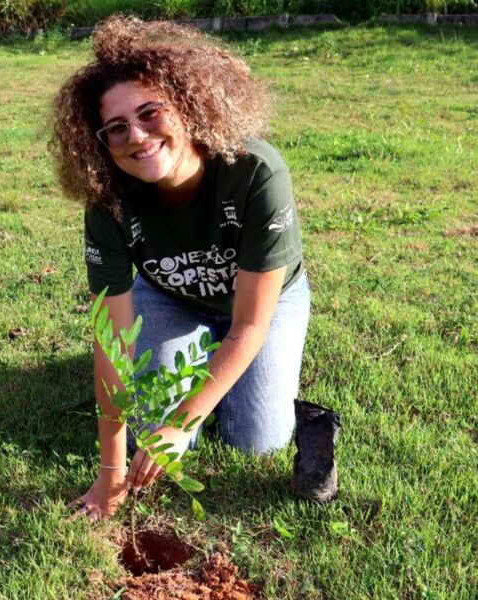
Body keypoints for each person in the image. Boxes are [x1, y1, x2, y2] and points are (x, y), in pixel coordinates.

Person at [49, 16, 309, 522]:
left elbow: (251, 323)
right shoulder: (109, 202)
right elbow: (113, 341)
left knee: (257, 441)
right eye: (117, 128)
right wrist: (112, 473)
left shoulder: (255, 171)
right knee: (149, 425)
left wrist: (184, 423)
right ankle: (194, 354)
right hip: (169, 297)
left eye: (150, 113)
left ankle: (227, 368)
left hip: (261, 305)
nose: (138, 136)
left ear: (187, 108)